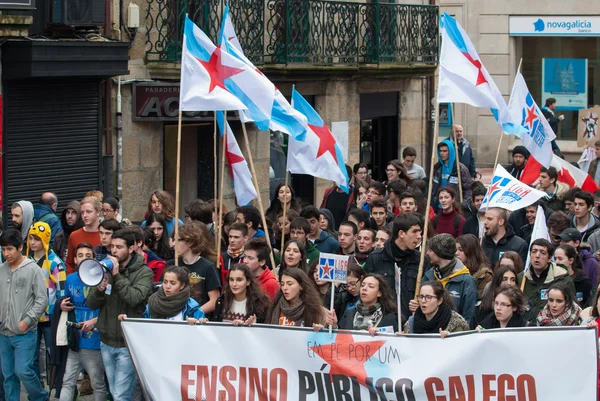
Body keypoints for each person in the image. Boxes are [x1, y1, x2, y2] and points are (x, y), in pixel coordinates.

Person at [85, 229, 153, 401]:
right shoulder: (104, 269)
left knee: (121, 396)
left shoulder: (143, 272)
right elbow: (91, 303)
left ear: (131, 249)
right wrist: (100, 289)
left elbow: (135, 298)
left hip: (126, 344)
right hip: (106, 341)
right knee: (115, 392)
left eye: (119, 247)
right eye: (112, 246)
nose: (113, 251)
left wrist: (116, 276)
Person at [0, 229, 48, 401]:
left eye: (9, 249)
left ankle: (40, 396)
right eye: (3, 249)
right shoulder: (1, 270)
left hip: (25, 333)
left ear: (20, 247)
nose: (6, 254)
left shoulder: (32, 269)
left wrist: (26, 321)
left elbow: (42, 300)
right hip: (3, 333)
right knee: (8, 375)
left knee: (23, 370)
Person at [59, 243, 106, 401]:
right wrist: (61, 305)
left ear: (94, 258)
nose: (84, 258)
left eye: (88, 255)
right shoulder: (71, 279)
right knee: (67, 382)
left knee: (97, 383)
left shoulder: (103, 279)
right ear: (74, 259)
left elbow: (109, 308)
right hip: (74, 341)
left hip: (94, 343)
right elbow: (65, 302)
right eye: (80, 255)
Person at [26, 222, 66, 382]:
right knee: (32, 355)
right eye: (30, 238)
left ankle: (55, 386)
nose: (33, 242)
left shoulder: (55, 263)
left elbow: (61, 292)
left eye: (36, 239)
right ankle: (37, 390)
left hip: (50, 318)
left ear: (45, 239)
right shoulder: (26, 261)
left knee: (52, 353)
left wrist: (58, 312)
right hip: (31, 317)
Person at [365, 214, 423, 319]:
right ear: (401, 233)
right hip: (380, 323)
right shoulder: (375, 258)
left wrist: (421, 304)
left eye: (420, 232)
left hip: (410, 323)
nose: (419, 236)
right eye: (414, 231)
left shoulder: (421, 260)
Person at [419, 234, 478, 327]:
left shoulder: (466, 281)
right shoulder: (429, 275)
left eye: (430, 250)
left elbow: (469, 316)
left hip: (453, 336)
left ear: (439, 252)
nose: (427, 253)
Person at [168, 222, 221, 315]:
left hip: (198, 321)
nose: (173, 244)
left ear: (190, 242)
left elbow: (214, 301)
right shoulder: (171, 265)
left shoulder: (208, 267)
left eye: (177, 240)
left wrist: (194, 313)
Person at [518, 239, 576, 322]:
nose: (537, 255)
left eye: (543, 252)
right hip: (525, 329)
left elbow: (572, 310)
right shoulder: (521, 279)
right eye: (534, 251)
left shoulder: (563, 279)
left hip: (555, 328)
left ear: (549, 258)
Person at [334, 274, 399, 334]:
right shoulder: (349, 313)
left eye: (370, 286)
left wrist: (381, 333)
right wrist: (334, 326)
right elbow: (340, 338)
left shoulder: (389, 316)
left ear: (379, 293)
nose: (364, 288)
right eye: (362, 285)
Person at [138, 265, 205, 321]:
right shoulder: (152, 303)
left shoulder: (192, 307)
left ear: (182, 286)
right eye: (165, 282)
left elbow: (202, 331)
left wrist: (196, 324)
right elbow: (143, 329)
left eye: (173, 283)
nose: (167, 286)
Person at [403, 281, 469, 335]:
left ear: (439, 301)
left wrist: (449, 339)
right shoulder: (411, 323)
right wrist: (401, 339)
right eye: (421, 296)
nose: (423, 301)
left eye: (428, 297)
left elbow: (463, 346)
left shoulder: (455, 323)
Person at [66, 196, 101, 274]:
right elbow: (70, 263)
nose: (85, 215)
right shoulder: (74, 236)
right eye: (82, 212)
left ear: (98, 212)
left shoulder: (105, 235)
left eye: (88, 212)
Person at [432, 139, 472, 205]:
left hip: (455, 205)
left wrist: (464, 204)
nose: (442, 153)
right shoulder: (437, 168)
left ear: (451, 152)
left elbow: (468, 188)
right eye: (440, 151)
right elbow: (433, 187)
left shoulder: (460, 168)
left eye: (445, 151)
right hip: (439, 205)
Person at [320, 165, 355, 231]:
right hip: (328, 232)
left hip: (343, 232)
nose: (335, 179)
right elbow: (323, 210)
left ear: (347, 178)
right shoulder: (329, 192)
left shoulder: (353, 195)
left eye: (338, 176)